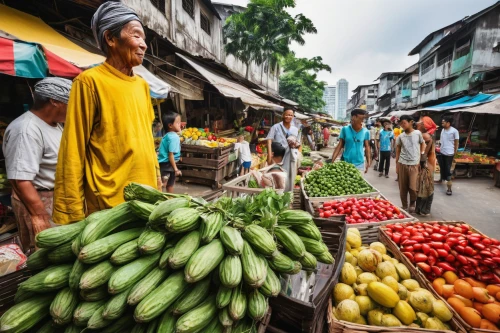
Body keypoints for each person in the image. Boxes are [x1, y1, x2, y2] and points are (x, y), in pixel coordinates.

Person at [53, 2, 161, 224]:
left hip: (146, 202)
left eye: (144, 39)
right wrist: (71, 215)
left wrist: (157, 179)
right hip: (109, 209)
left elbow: (147, 140)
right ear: (111, 39)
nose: (144, 45)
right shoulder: (89, 82)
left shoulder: (142, 86)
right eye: (137, 36)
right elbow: (72, 151)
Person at [3, 77, 72, 252]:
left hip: (56, 199)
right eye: (71, 103)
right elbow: (20, 179)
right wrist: (39, 216)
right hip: (37, 200)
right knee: (45, 253)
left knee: (61, 251)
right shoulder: (26, 129)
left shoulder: (55, 125)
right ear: (55, 101)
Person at [396, 115, 426, 213]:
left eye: (404, 123)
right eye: (401, 124)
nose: (402, 125)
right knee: (403, 187)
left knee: (413, 187)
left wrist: (421, 154)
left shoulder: (418, 133)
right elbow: (398, 150)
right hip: (402, 163)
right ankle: (404, 205)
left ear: (411, 122)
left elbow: (423, 144)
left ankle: (412, 202)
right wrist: (397, 165)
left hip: (414, 164)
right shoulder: (400, 136)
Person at [266, 109, 300, 192]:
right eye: (287, 114)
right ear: (283, 115)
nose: (289, 117)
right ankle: (277, 194)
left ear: (293, 117)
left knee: (290, 176)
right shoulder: (276, 127)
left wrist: (298, 155)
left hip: (290, 156)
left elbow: (299, 143)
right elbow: (269, 140)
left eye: (291, 115)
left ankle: (288, 195)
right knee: (277, 176)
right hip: (278, 157)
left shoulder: (295, 129)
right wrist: (269, 156)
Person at [331, 108, 371, 173]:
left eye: (363, 119)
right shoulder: (345, 129)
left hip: (359, 164)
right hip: (345, 163)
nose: (362, 121)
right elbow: (340, 145)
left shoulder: (365, 131)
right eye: (361, 119)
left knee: (357, 182)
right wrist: (332, 161)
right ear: (353, 117)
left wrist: (368, 162)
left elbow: (367, 147)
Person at [415, 117, 437, 216]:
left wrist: (420, 164)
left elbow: (423, 154)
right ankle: (421, 209)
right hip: (429, 164)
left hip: (426, 164)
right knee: (425, 187)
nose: (417, 124)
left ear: (424, 125)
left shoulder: (425, 136)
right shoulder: (427, 135)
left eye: (420, 122)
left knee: (425, 188)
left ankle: (423, 210)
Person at [157, 112, 182, 193]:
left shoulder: (168, 135)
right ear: (170, 125)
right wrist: (176, 169)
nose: (180, 124)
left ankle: (170, 198)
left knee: (170, 183)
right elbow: (170, 155)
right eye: (177, 122)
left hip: (165, 163)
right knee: (165, 183)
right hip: (168, 164)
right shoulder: (174, 137)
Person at [439, 116, 459, 195]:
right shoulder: (443, 130)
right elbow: (441, 141)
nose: (442, 123)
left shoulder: (454, 131)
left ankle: (449, 189)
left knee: (448, 171)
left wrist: (455, 153)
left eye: (443, 122)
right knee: (442, 167)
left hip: (449, 153)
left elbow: (456, 143)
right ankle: (442, 179)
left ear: (448, 123)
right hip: (442, 151)